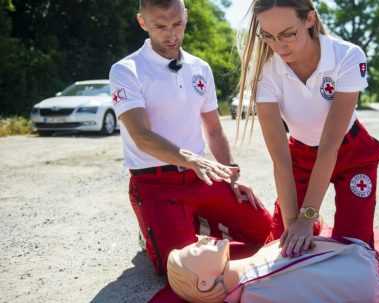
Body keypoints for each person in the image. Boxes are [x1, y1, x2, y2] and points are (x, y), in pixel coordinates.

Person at [108, 0, 272, 275]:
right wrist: (192, 159)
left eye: (178, 24)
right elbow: (141, 135)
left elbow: (214, 129)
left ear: (186, 16)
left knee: (267, 233)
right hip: (156, 183)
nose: (171, 34)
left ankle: (195, 223)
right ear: (142, 22)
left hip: (200, 177)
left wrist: (232, 175)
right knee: (182, 270)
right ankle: (158, 229)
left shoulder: (200, 68)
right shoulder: (126, 70)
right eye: (160, 26)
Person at [237, 0, 379, 258]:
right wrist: (294, 222)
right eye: (268, 36)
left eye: (288, 34)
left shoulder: (348, 56)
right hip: (301, 155)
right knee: (285, 246)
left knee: (353, 250)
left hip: (350, 153)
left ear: (309, 20)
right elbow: (281, 160)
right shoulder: (265, 71)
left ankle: (315, 220)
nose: (278, 46)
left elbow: (330, 145)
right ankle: (311, 224)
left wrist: (306, 216)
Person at [167, 236, 379, 303]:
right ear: (204, 283)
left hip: (358, 262)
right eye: (195, 249)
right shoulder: (254, 293)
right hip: (360, 275)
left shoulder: (253, 267)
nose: (201, 238)